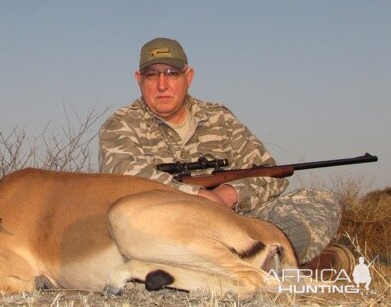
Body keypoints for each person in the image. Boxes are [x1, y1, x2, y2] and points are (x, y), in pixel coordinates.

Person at [99, 37, 347, 268]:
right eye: (152, 75)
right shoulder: (121, 124)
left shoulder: (220, 118)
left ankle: (261, 260)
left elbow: (268, 173)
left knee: (322, 200)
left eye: (172, 73)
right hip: (170, 228)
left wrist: (230, 194)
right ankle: (268, 264)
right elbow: (124, 178)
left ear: (189, 76)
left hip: (236, 223)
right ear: (138, 78)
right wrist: (197, 195)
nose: (162, 84)